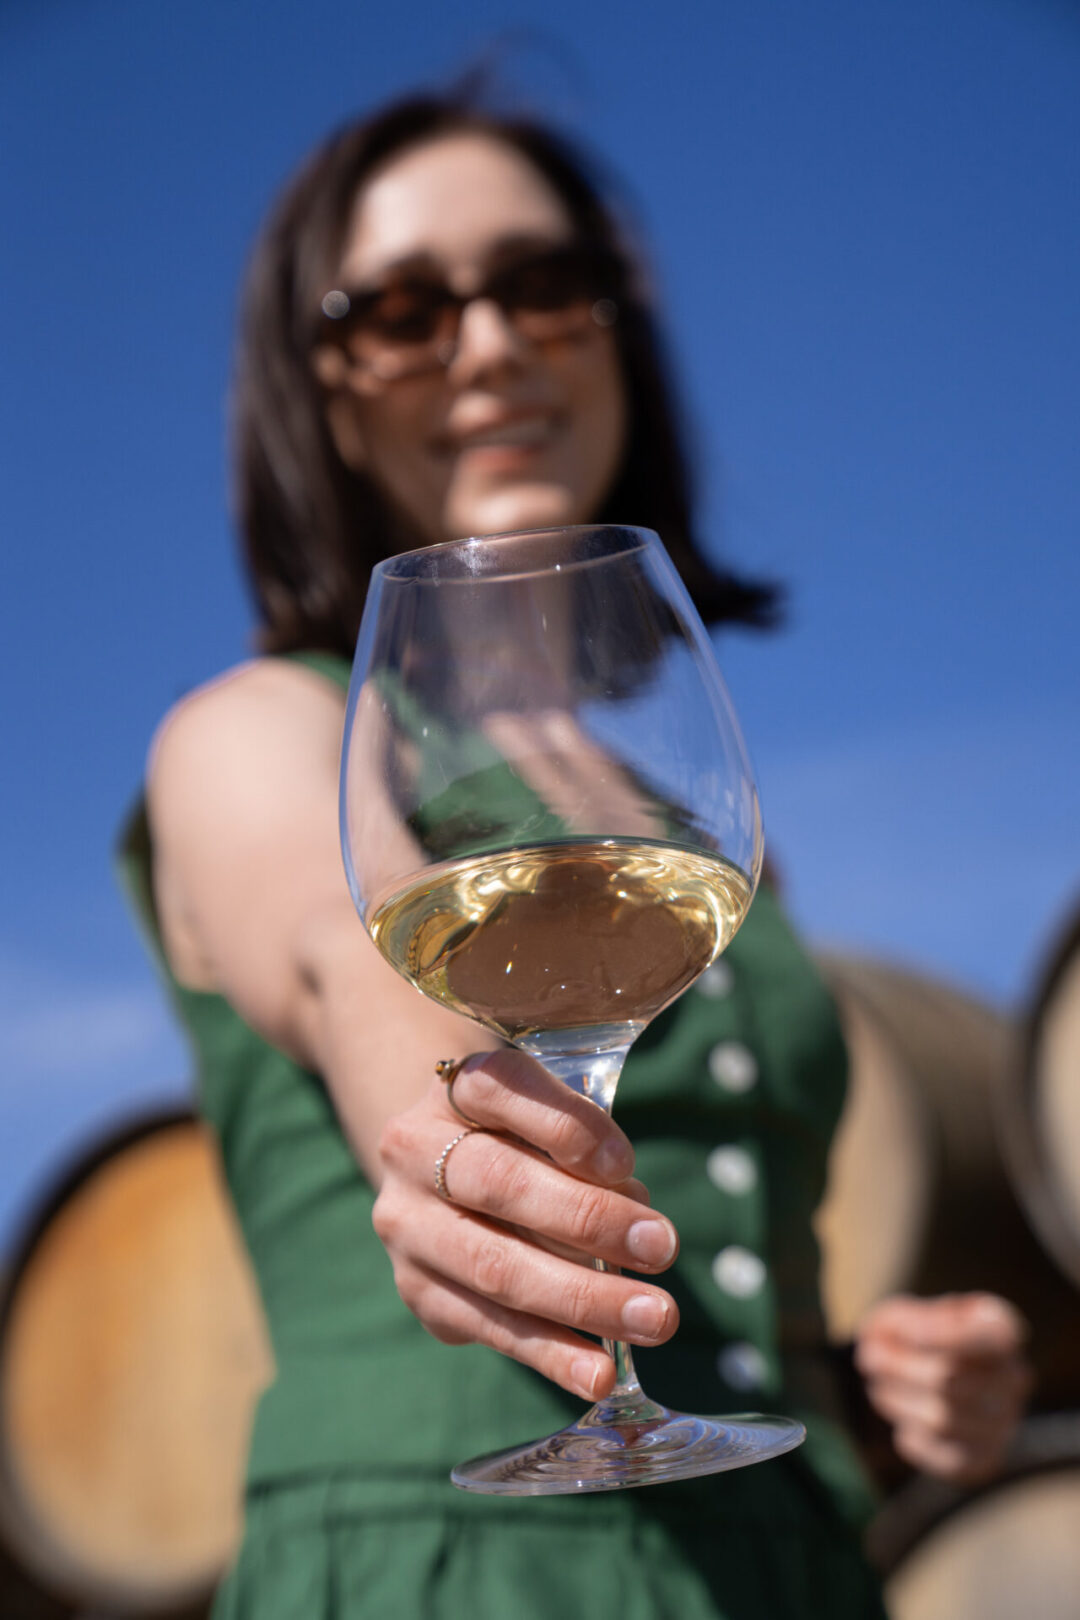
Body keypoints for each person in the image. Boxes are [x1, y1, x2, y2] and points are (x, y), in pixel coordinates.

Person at [119, 87, 1031, 1618]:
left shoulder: (699, 826)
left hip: (789, 1564)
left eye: (543, 284)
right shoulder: (254, 733)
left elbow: (729, 1246)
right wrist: (453, 1145)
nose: (489, 346)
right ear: (322, 389)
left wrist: (892, 1397)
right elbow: (335, 958)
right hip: (456, 1567)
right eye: (402, 310)